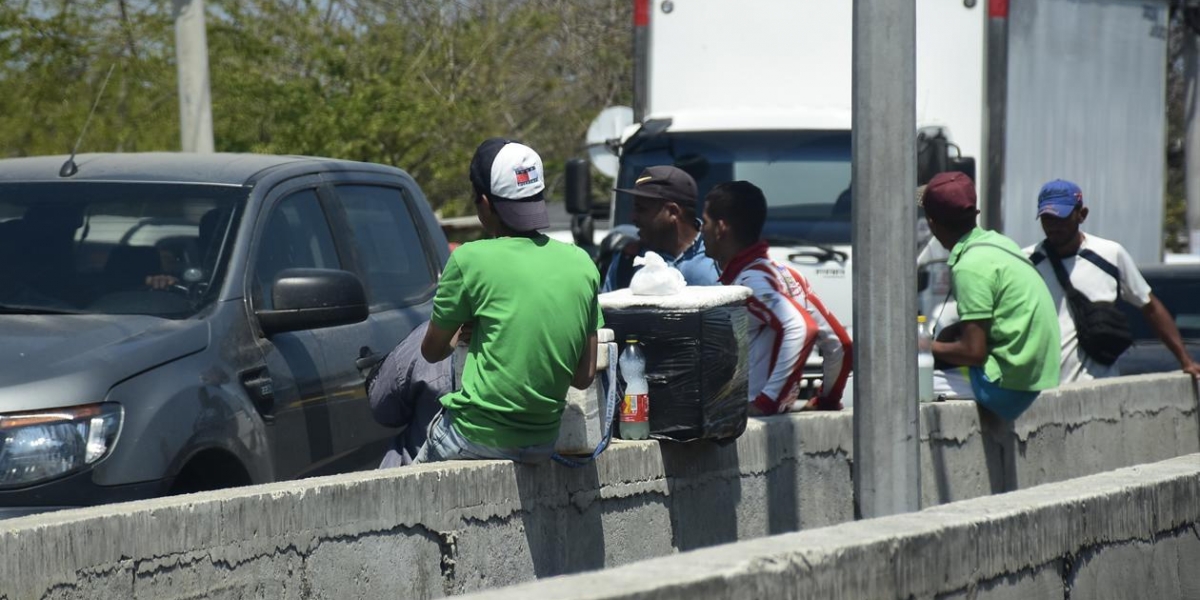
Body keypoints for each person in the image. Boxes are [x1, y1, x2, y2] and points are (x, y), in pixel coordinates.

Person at [415, 138, 603, 464]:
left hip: (472, 437)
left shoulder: (469, 259)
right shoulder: (582, 264)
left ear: (486, 204)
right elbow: (583, 375)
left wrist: (462, 332)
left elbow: (432, 351)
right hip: (543, 443)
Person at [1024, 179, 1200, 382]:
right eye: (1047, 219)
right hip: (1041, 390)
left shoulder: (1110, 255)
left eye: (1061, 219)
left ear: (1082, 215)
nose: (1054, 227)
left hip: (1097, 388)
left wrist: (1184, 360)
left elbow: (1150, 306)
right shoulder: (1026, 262)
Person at [701, 181, 852, 414]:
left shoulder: (750, 283)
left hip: (751, 422)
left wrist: (766, 402)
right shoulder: (789, 274)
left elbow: (802, 327)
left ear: (721, 228)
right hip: (774, 423)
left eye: (706, 222)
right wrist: (828, 400)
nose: (701, 229)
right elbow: (841, 344)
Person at [922, 172, 1060, 420]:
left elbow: (973, 352)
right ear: (974, 213)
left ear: (932, 223)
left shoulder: (970, 266)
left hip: (1002, 389)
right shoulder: (1000, 243)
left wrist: (923, 346)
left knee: (900, 384)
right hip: (1029, 383)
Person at [601, 165, 720, 292]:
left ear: (673, 212)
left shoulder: (719, 258)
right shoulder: (627, 262)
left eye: (641, 209)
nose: (632, 217)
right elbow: (607, 309)